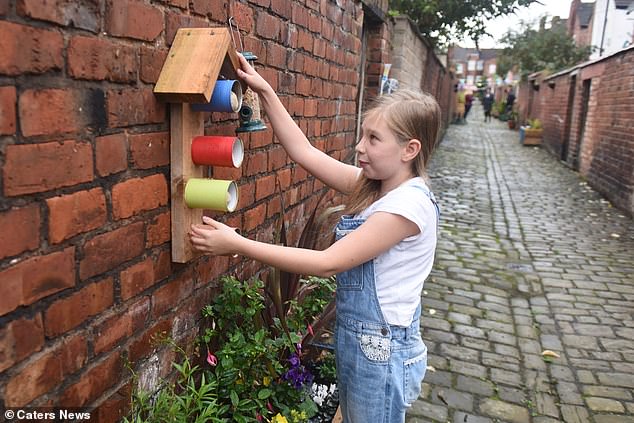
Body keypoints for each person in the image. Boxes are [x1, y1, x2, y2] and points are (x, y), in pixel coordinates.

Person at [189, 54, 441, 423]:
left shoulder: (408, 206)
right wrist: (266, 91)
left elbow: (329, 262)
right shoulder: (378, 187)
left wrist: (237, 244)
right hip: (362, 341)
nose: (359, 147)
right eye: (362, 135)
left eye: (373, 139)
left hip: (382, 351)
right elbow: (304, 152)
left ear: (410, 149)